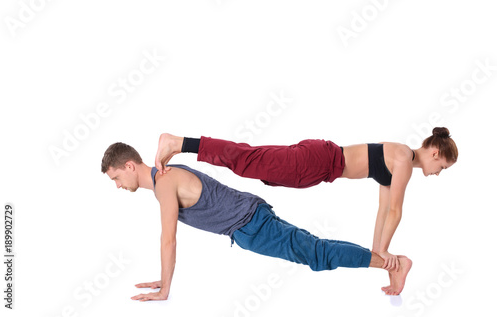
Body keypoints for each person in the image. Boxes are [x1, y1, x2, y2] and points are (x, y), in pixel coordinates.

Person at [101, 142, 412, 301]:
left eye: (116, 178)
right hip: (251, 223)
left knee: (317, 254)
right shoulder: (165, 179)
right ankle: (390, 265)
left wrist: (165, 287)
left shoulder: (164, 184)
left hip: (252, 224)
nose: (117, 185)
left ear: (129, 166)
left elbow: (168, 238)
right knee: (315, 250)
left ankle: (393, 265)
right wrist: (163, 278)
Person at [154, 127, 458, 272]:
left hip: (317, 169)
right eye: (441, 167)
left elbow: (383, 211)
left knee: (254, 167)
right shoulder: (404, 159)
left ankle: (183, 143)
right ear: (435, 153)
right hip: (318, 162)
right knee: (248, 160)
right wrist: (385, 250)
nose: (437, 173)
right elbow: (395, 211)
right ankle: (179, 142)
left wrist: (380, 251)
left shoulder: (397, 159)